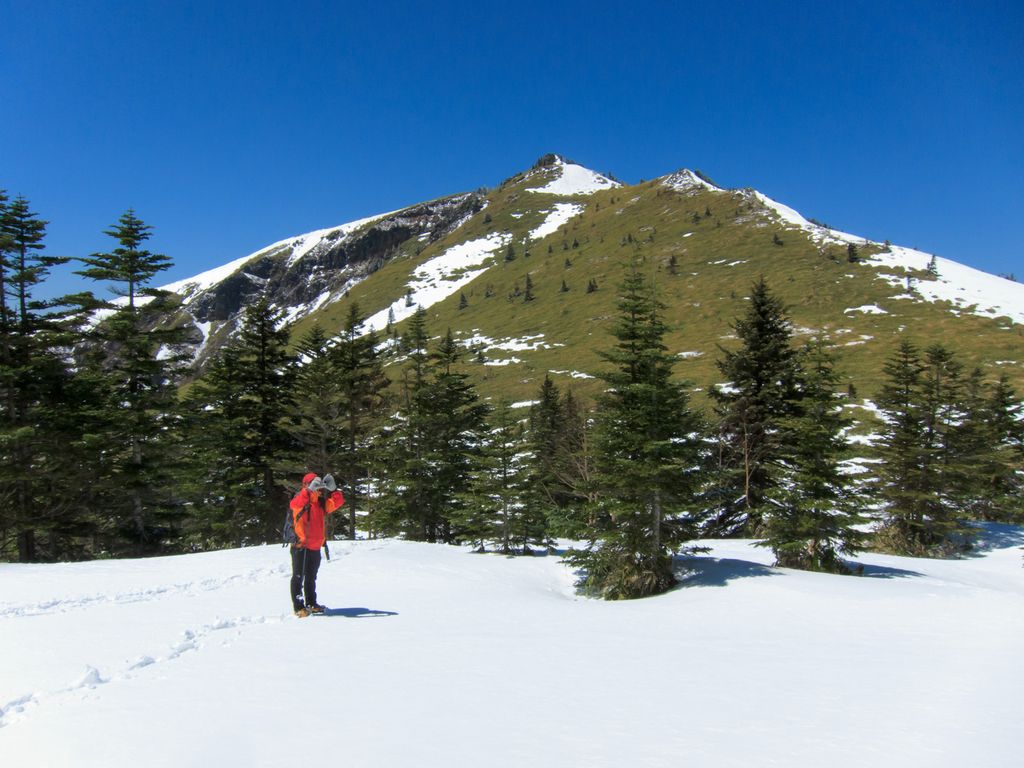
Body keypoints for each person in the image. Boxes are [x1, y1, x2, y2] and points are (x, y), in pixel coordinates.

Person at [289, 472, 344, 617]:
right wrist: (308, 491)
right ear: (305, 485)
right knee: (298, 577)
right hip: (300, 546)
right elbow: (295, 504)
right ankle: (298, 607)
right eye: (313, 484)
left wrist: (334, 490)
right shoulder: (299, 499)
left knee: (311, 577)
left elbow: (336, 503)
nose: (317, 489)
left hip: (314, 546)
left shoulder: (319, 503)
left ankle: (311, 604)